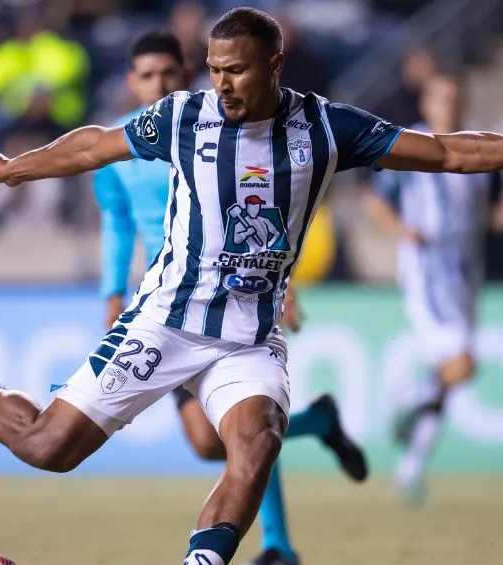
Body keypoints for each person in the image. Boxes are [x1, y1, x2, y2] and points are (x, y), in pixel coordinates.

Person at [0, 8, 503, 565]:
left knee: (252, 444)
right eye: (215, 68)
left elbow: (445, 150)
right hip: (163, 319)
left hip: (248, 337)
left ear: (275, 63)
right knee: (48, 447)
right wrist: (14, 164)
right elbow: (93, 144)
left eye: (237, 70)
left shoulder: (326, 128)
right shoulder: (183, 117)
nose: (222, 83)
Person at [91, 30, 366, 565]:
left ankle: (278, 545)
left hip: (233, 296)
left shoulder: (216, 131)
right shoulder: (122, 150)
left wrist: (275, 287)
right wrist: (110, 294)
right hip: (164, 305)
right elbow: (117, 227)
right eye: (146, 76)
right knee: (207, 445)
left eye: (168, 74)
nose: (158, 84)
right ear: (131, 82)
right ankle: (320, 422)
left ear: (183, 75)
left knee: (248, 428)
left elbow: (268, 210)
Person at [364, 73, 501, 504]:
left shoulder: (477, 146)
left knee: (450, 375)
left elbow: (491, 200)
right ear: (426, 105)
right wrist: (403, 232)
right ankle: (409, 398)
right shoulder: (413, 145)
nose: (451, 107)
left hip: (464, 269)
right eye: (442, 99)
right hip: (428, 268)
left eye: (456, 98)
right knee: (461, 364)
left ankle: (412, 466)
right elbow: (374, 198)